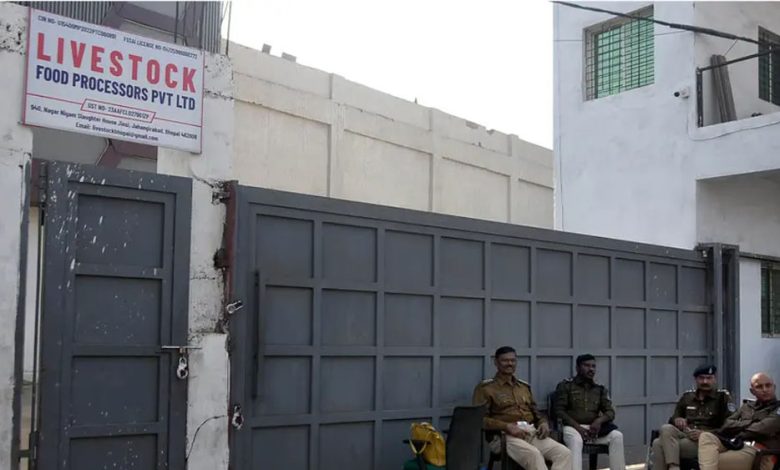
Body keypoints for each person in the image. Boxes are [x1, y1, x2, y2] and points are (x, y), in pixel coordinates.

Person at [473, 346, 572, 470]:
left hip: (529, 433)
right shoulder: (486, 388)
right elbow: (478, 419)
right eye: (505, 360)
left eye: (512, 360)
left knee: (564, 453)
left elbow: (535, 412)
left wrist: (543, 422)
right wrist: (507, 426)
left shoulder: (523, 387)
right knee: (534, 455)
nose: (509, 363)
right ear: (496, 362)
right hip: (503, 436)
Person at [651, 364, 733, 470]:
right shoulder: (687, 397)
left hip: (706, 440)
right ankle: (674, 466)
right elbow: (673, 419)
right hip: (686, 434)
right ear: (696, 379)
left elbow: (730, 425)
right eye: (701, 378)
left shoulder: (722, 397)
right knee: (665, 428)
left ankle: (674, 467)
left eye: (709, 378)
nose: (705, 381)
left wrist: (705, 434)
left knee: (658, 444)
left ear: (714, 379)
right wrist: (677, 420)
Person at [554, 354, 625, 470]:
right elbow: (559, 411)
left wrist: (599, 421)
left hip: (593, 430)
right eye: (587, 365)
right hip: (573, 428)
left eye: (593, 366)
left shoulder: (600, 388)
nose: (591, 369)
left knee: (617, 436)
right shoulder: (566, 386)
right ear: (577, 368)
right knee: (576, 440)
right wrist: (578, 427)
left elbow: (610, 411)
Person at [698, 372, 780, 470]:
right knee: (706, 436)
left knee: (709, 461)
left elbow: (762, 427)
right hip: (735, 443)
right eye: (759, 387)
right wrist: (751, 422)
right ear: (752, 391)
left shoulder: (777, 408)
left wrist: (737, 429)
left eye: (768, 385)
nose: (765, 389)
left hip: (757, 449)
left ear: (774, 387)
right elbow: (727, 423)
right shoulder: (747, 406)